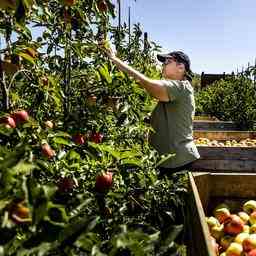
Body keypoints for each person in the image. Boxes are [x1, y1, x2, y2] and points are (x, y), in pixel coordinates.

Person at [104, 47, 200, 177]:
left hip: (176, 161)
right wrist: (115, 106)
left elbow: (147, 84)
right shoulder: (173, 93)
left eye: (167, 62)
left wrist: (115, 60)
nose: (163, 65)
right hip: (167, 160)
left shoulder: (182, 87)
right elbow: (150, 121)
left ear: (181, 67)